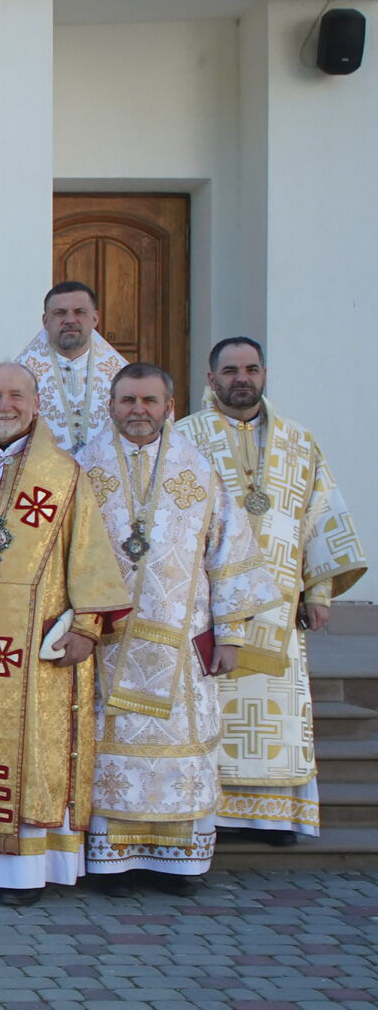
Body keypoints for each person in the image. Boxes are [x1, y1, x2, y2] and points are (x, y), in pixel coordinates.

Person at [0, 362, 130, 904]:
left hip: (35, 642)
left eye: (16, 395)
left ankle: (25, 870)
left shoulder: (65, 474)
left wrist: (85, 625)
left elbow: (89, 556)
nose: (4, 405)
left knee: (32, 744)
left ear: (36, 404)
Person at [76, 362, 278, 895]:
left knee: (181, 750)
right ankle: (112, 863)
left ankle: (178, 864)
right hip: (105, 644)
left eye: (148, 401)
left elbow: (228, 550)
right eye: (127, 401)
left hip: (180, 642)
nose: (138, 411)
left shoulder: (199, 469)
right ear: (111, 405)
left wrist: (231, 632)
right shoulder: (81, 468)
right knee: (107, 752)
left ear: (170, 406)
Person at [176, 337, 367, 845]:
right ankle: (211, 811)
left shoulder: (299, 442)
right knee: (213, 707)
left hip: (280, 602)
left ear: (264, 374)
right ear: (210, 378)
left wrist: (320, 591)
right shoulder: (183, 438)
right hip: (208, 600)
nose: (243, 378)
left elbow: (320, 517)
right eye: (231, 370)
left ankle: (274, 817)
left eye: (252, 368)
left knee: (273, 714)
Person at [16, 281, 127, 453]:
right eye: (60, 313)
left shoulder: (122, 375)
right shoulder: (18, 375)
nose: (69, 320)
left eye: (80, 312)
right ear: (45, 321)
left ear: (95, 318)